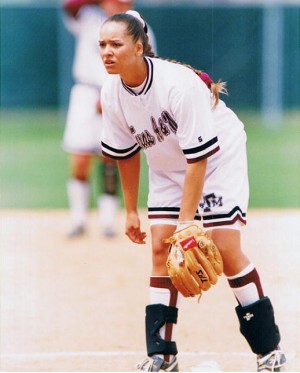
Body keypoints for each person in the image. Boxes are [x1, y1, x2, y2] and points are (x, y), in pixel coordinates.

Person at [98, 10, 287, 373]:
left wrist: (187, 224)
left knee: (225, 246)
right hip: (167, 167)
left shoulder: (177, 84)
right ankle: (162, 355)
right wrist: (131, 211)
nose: (107, 51)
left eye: (116, 44)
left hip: (217, 157)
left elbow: (198, 159)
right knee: (159, 246)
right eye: (102, 45)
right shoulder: (112, 92)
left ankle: (270, 351)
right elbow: (124, 154)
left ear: (139, 48)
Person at [62, 0, 157, 238]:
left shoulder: (139, 27)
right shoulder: (89, 16)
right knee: (80, 159)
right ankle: (78, 220)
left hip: (118, 92)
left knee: (111, 159)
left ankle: (107, 221)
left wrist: (116, 94)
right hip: (85, 91)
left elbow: (145, 65)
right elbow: (69, 5)